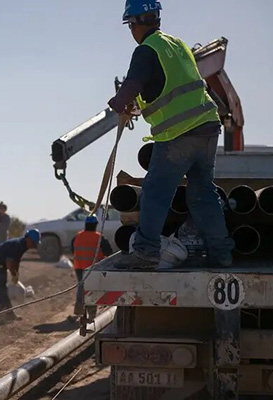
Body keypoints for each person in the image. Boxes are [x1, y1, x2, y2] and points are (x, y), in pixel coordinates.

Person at [107, 0, 234, 269]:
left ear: (136, 23)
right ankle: (221, 252)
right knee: (202, 194)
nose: (131, 32)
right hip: (208, 128)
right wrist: (136, 102)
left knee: (155, 192)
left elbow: (134, 83)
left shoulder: (146, 50)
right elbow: (167, 86)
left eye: (130, 25)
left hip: (180, 134)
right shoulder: (178, 45)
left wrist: (119, 103)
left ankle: (145, 252)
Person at [0, 229, 41, 319]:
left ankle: (3, 313)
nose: (34, 246)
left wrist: (16, 273)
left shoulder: (23, 245)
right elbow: (9, 261)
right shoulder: (18, 245)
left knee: (1, 287)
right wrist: (13, 274)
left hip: (0, 263)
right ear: (28, 239)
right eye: (34, 243)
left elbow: (16, 261)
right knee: (1, 287)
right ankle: (2, 313)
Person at [71, 215, 113, 315]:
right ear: (95, 225)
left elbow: (73, 250)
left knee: (81, 287)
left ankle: (79, 310)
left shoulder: (77, 236)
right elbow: (109, 252)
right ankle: (91, 312)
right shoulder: (99, 237)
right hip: (94, 268)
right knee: (92, 289)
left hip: (79, 267)